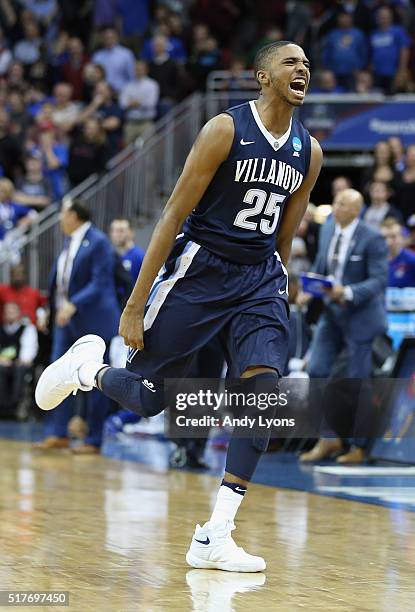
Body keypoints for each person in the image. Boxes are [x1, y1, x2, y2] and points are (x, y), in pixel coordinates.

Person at [36, 41, 322, 572]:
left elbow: (287, 228)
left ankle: (216, 534)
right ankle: (88, 370)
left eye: (307, 63)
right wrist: (134, 304)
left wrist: (284, 280)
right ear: (262, 75)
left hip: (258, 279)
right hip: (200, 270)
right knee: (150, 400)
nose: (302, 68)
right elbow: (170, 216)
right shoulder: (224, 129)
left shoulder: (311, 151)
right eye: (290, 61)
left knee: (263, 397)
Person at [299, 189, 388, 464]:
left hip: (361, 316)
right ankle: (327, 438)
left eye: (341, 204)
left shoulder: (372, 238)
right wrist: (309, 287)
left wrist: (347, 292)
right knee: (316, 370)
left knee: (357, 380)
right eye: (335, 201)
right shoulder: (327, 229)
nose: (335, 207)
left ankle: (359, 446)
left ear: (355, 210)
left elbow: (378, 280)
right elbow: (321, 264)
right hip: (332, 313)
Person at [35, 200, 120, 453]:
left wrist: (74, 304)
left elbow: (100, 282)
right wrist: (48, 309)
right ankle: (58, 433)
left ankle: (93, 439)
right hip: (66, 319)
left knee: (95, 377)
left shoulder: (98, 241)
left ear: (74, 215)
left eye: (63, 214)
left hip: (93, 319)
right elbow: (60, 284)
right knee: (58, 373)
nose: (60, 219)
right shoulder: (69, 242)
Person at [0, 301, 38, 417]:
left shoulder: (27, 329)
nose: (10, 314)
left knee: (19, 370)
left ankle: (16, 406)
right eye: (7, 311)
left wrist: (20, 361)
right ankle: (3, 407)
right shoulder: (1, 329)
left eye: (13, 311)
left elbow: (28, 352)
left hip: (19, 365)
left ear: (19, 313)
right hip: (2, 364)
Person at [119, 60, 159, 144]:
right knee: (128, 152)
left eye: (141, 69)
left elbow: (151, 103)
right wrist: (140, 102)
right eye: (136, 69)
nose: (138, 71)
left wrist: (133, 103)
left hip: (146, 123)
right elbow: (123, 104)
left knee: (150, 150)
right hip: (130, 123)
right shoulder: (128, 86)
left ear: (146, 70)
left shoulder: (152, 85)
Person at [380, 218, 415, 288]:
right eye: (384, 238)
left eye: (393, 237)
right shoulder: (374, 259)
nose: (388, 242)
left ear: (402, 238)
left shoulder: (412, 260)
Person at [109, 218, 145, 284]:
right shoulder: (111, 256)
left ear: (131, 232)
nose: (116, 234)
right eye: (113, 231)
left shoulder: (139, 257)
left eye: (121, 231)